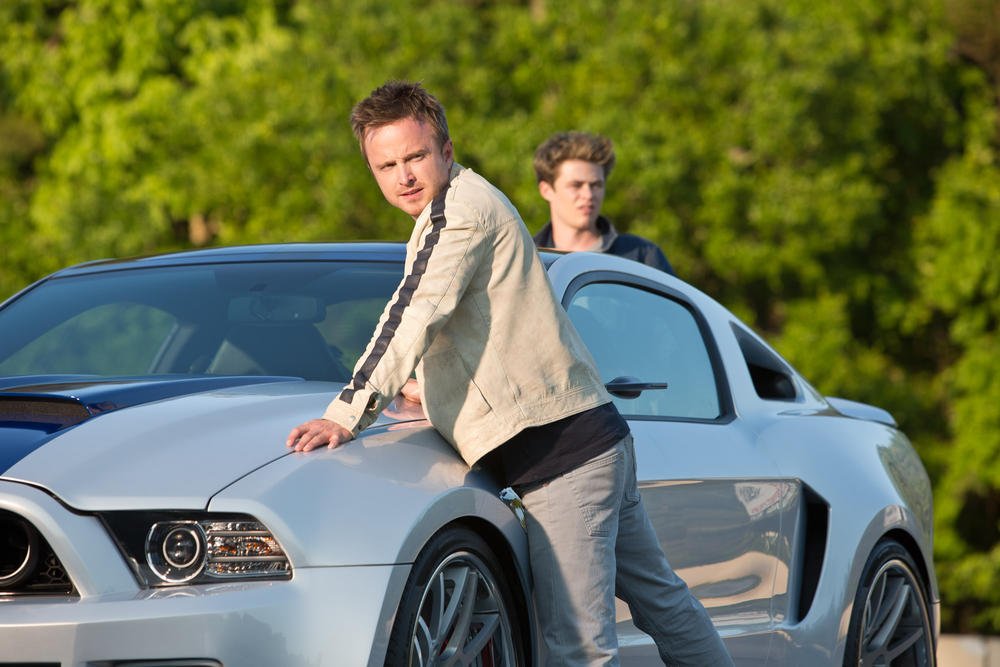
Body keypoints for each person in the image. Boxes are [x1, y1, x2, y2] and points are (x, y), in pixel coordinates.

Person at [285, 81, 731, 666]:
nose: (404, 176)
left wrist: (348, 412)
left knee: (579, 647)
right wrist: (429, 391)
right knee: (665, 606)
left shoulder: (458, 214)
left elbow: (415, 311)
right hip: (592, 440)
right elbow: (476, 332)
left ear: (446, 150)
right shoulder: (457, 206)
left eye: (415, 157)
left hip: (563, 459)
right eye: (386, 166)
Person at [532, 131, 676, 275]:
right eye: (576, 185)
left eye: (596, 185)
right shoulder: (528, 259)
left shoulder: (642, 256)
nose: (588, 195)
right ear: (546, 190)